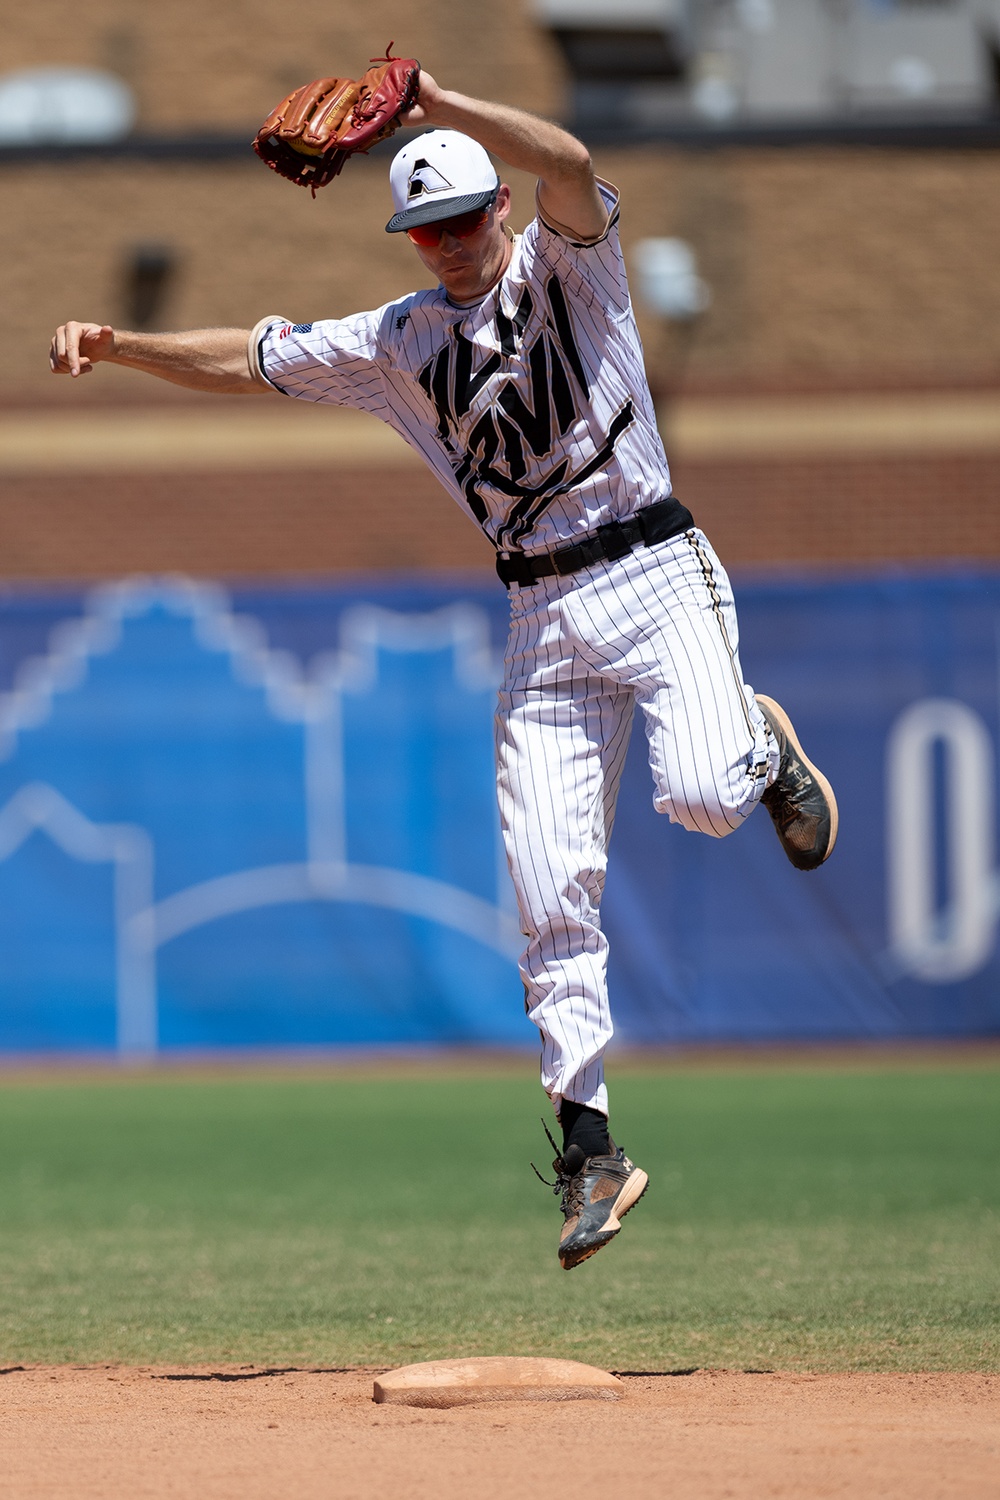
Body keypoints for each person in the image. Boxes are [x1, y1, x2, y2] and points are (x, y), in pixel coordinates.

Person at [49, 70, 838, 1270]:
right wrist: (121, 347)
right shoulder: (399, 341)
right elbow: (253, 357)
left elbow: (569, 161)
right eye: (429, 228)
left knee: (705, 797)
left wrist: (439, 99)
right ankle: (591, 1152)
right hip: (539, 612)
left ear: (499, 214)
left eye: (468, 216)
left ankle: (760, 744)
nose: (453, 242)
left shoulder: (571, 269)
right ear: (411, 242)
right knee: (546, 887)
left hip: (653, 566)